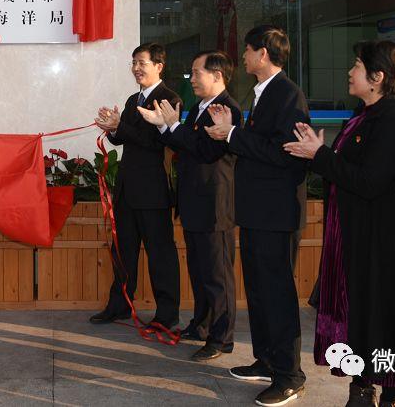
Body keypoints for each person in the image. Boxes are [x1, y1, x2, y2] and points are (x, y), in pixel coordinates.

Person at [285, 40, 395, 407]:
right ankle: (361, 385)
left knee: (382, 313)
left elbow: (371, 182)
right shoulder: (361, 115)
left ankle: (390, 393)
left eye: (356, 66)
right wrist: (316, 154)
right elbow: (345, 170)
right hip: (351, 231)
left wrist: (319, 155)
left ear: (377, 77)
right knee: (359, 312)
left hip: (378, 236)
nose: (349, 72)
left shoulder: (391, 120)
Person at [205, 26, 308, 406]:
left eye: (247, 51)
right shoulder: (263, 92)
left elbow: (285, 151)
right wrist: (229, 130)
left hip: (276, 213)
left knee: (277, 294)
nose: (243, 58)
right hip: (256, 211)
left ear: (262, 54)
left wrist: (232, 134)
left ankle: (290, 375)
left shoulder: (288, 94)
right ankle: (266, 360)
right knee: (260, 292)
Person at [139, 50, 241, 361]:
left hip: (214, 204)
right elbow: (186, 146)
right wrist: (164, 127)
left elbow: (207, 151)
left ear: (217, 76)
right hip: (195, 203)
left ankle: (222, 338)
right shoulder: (200, 107)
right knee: (199, 271)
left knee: (217, 275)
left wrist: (172, 127)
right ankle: (201, 325)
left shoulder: (226, 110)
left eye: (197, 73)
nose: (192, 78)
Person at [90, 43, 182, 330]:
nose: (137, 68)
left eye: (142, 63)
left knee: (160, 256)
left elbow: (157, 143)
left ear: (159, 66)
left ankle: (166, 316)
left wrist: (122, 127)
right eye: (133, 63)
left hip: (153, 192)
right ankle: (119, 306)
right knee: (123, 252)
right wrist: (113, 128)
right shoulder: (133, 99)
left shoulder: (168, 99)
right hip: (127, 191)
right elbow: (125, 140)